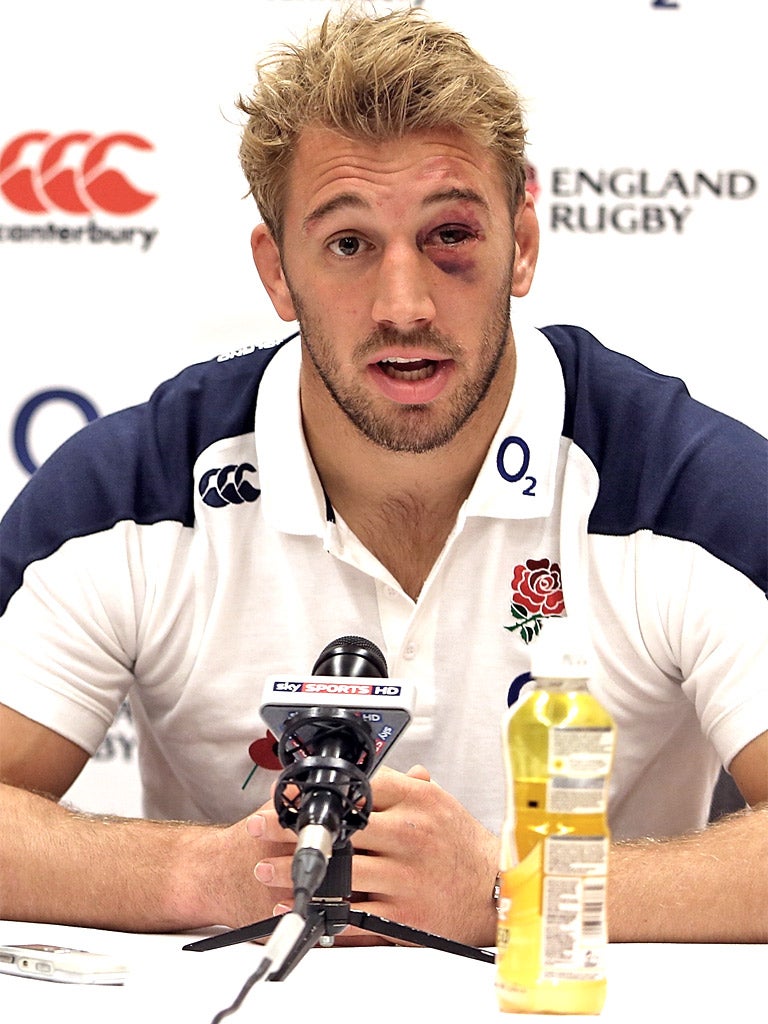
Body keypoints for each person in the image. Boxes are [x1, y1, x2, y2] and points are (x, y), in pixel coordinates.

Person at [0, 6, 766, 948]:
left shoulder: (684, 486)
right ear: (278, 273)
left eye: (450, 234)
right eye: (350, 244)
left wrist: (510, 892)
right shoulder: (131, 492)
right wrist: (203, 874)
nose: (404, 305)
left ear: (522, 244)